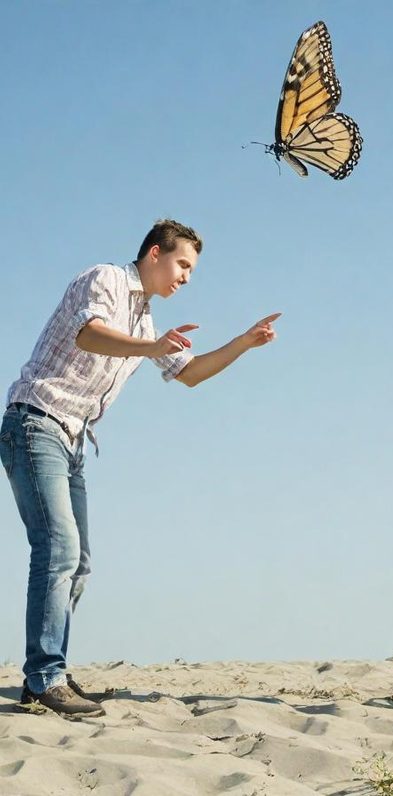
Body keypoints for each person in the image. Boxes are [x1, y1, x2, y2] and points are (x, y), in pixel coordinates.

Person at [0, 219, 281, 718]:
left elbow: (189, 373)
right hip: (35, 422)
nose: (187, 278)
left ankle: (47, 672)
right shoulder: (106, 279)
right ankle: (45, 677)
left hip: (72, 438)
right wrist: (151, 347)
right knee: (58, 549)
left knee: (79, 562)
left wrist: (243, 341)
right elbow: (89, 334)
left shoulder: (146, 320)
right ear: (155, 254)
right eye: (182, 265)